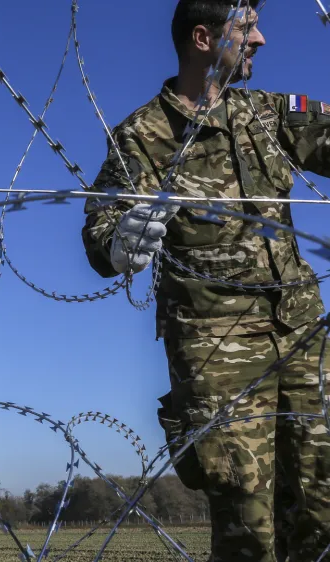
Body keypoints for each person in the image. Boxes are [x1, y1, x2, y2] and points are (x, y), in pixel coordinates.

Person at [82, 2, 330, 560]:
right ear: (203, 38)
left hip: (301, 332)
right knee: (247, 523)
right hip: (217, 351)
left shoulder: (268, 113)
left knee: (323, 506)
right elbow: (100, 228)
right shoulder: (142, 135)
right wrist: (120, 240)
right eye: (246, 28)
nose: (260, 39)